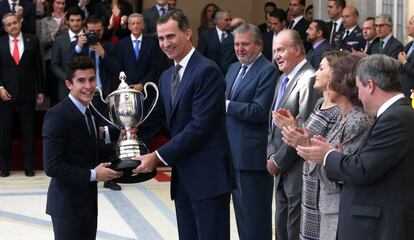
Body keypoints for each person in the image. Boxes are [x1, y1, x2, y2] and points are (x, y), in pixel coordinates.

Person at [132, 10, 233, 240]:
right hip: (183, 179)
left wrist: (157, 156)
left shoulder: (207, 71)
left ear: (187, 33)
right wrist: (124, 135)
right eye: (160, 38)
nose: (165, 43)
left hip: (208, 178)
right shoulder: (166, 76)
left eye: (170, 36)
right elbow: (155, 119)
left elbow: (199, 127)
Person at [296, 54, 414, 240]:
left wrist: (328, 156)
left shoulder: (395, 118)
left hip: (380, 226)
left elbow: (364, 169)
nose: (358, 95)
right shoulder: (393, 114)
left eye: (359, 88)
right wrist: (338, 157)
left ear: (370, 85)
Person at [43, 56, 123, 240]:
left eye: (92, 79)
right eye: (81, 80)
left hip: (88, 203)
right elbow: (52, 166)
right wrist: (95, 175)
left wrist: (122, 143)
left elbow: (93, 151)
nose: (88, 86)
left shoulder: (89, 111)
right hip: (67, 207)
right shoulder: (56, 115)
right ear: (69, 84)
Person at [274, 51, 343, 240]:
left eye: (321, 68)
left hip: (325, 190)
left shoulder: (338, 110)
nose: (316, 73)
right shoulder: (321, 102)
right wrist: (292, 128)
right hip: (310, 186)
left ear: (335, 75)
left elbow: (322, 147)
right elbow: (308, 136)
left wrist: (298, 138)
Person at [225, 23, 278, 240]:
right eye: (237, 44)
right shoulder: (232, 69)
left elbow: (259, 110)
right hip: (231, 154)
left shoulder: (268, 70)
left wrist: (226, 105)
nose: (240, 49)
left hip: (252, 158)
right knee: (241, 216)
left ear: (258, 45)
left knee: (255, 218)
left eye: (245, 44)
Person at [266, 29, 319, 240]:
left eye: (281, 50)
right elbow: (273, 127)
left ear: (297, 49)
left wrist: (278, 160)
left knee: (292, 230)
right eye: (274, 51)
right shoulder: (283, 79)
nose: (276, 55)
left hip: (295, 169)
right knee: (281, 229)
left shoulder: (309, 79)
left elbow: (305, 129)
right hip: (280, 170)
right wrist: (271, 155)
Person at [0, 13, 44, 177]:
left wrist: (41, 90)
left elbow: (38, 67)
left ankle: (29, 166)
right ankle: (4, 167)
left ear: (20, 22)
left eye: (14, 23)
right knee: (4, 131)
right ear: (5, 27)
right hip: (5, 93)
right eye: (9, 24)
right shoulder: (1, 42)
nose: (13, 26)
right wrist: (0, 87)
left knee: (28, 130)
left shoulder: (32, 39)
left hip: (27, 91)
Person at [51, 6, 85, 101]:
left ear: (82, 21)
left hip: (87, 88)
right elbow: (54, 65)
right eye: (72, 20)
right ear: (67, 21)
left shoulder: (89, 38)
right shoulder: (59, 39)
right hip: (65, 88)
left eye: (78, 20)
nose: (75, 23)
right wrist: (67, 79)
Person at [40, 0, 67, 104]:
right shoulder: (45, 20)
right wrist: (58, 28)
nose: (60, 6)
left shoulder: (70, 19)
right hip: (51, 58)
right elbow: (44, 41)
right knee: (54, 93)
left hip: (66, 57)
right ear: (53, 4)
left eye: (63, 3)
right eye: (58, 3)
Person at [398, 15, 414, 97]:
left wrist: (404, 62)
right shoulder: (408, 45)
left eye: (410, 23)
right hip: (403, 91)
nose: (407, 26)